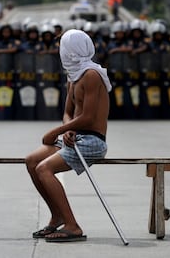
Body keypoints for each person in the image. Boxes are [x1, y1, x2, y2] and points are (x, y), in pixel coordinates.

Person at [25, 29, 112, 242]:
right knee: (32, 160)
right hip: (75, 138)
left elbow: (89, 118)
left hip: (92, 141)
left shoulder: (91, 75)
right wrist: (68, 128)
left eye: (62, 47)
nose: (59, 51)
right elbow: (68, 112)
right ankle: (56, 217)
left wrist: (56, 131)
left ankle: (72, 226)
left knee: (44, 168)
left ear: (71, 51)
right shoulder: (73, 75)